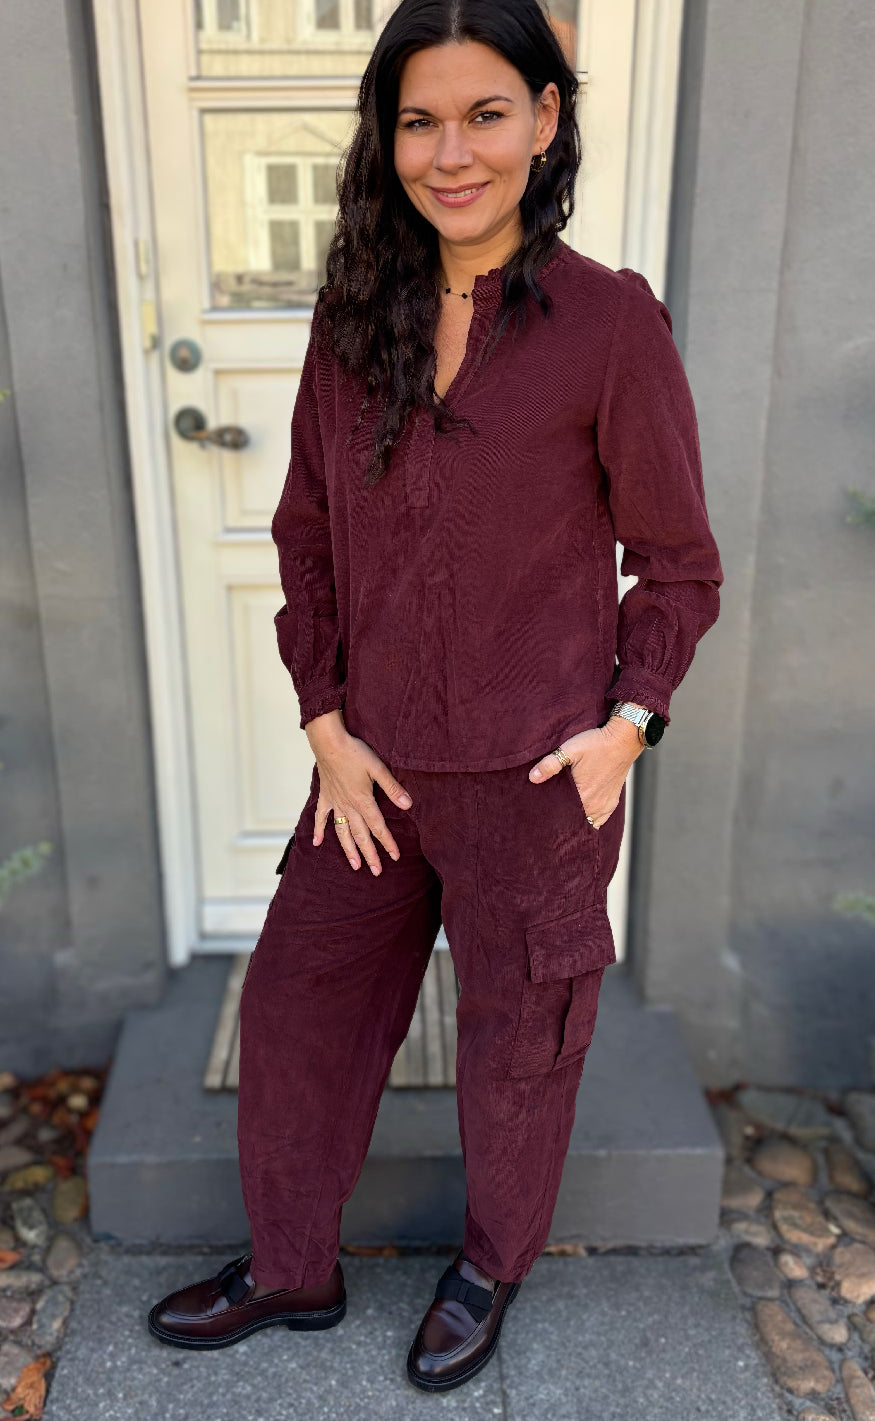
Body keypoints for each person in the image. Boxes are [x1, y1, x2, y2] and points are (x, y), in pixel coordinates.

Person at [147, 0, 724, 1393]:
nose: (450, 152)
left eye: (484, 114)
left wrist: (629, 727)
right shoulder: (356, 318)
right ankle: (292, 1266)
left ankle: (489, 1268)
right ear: (387, 137)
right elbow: (305, 535)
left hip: (539, 783)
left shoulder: (609, 324)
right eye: (419, 121)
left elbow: (680, 566)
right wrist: (324, 724)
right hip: (373, 772)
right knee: (298, 1009)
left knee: (521, 1047)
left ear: (544, 119)